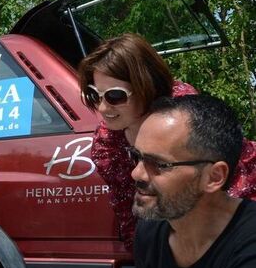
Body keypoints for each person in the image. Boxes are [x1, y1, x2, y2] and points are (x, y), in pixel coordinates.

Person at [77, 33, 256, 251]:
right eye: (95, 95)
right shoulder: (107, 145)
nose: (103, 108)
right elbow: (130, 210)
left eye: (115, 96)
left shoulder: (185, 115)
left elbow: (219, 194)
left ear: (146, 85)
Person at [132, 95, 256, 268]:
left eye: (159, 164)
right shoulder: (150, 231)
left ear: (214, 177)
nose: (137, 173)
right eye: (137, 157)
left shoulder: (249, 243)